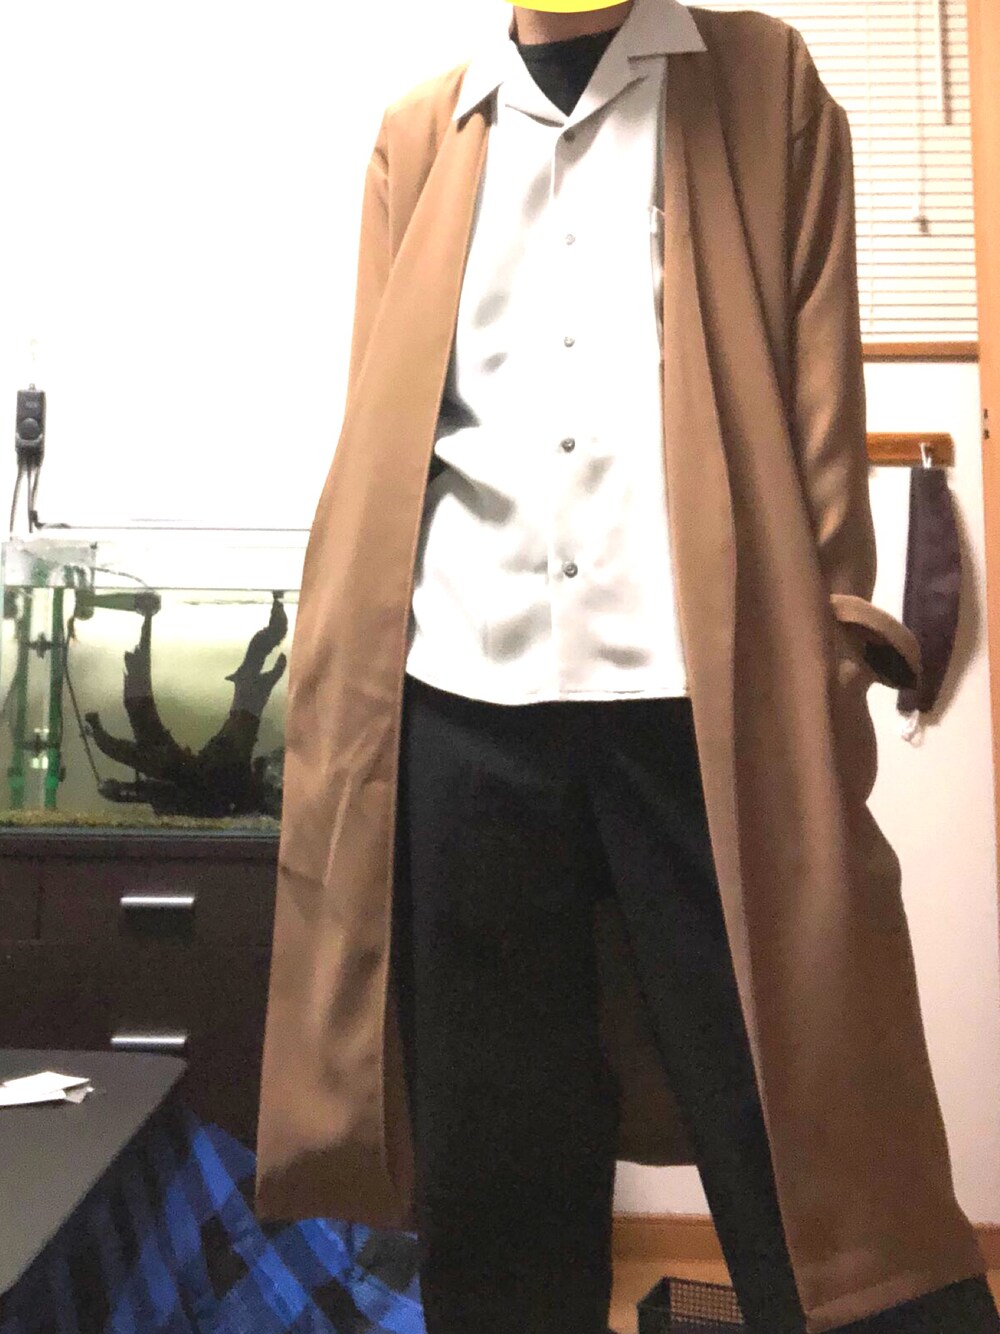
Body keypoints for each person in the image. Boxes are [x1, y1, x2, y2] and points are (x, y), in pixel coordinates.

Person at [254, 2, 1000, 1331]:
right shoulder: (420, 135)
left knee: (819, 1161)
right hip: (464, 719)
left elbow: (822, 431)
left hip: (701, 721)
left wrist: (826, 676)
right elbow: (378, 445)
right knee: (500, 1200)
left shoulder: (763, 84)